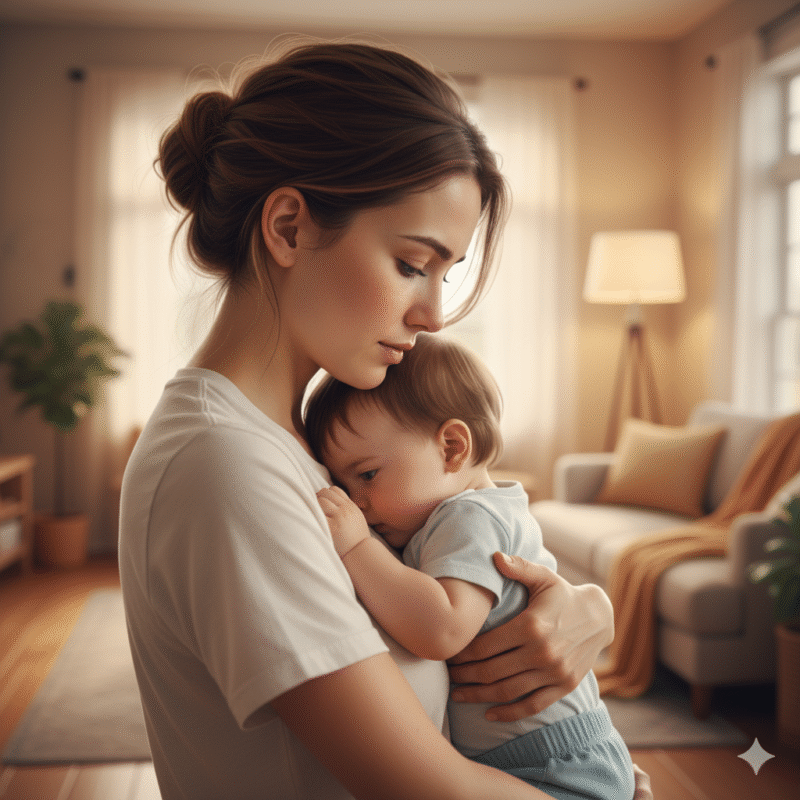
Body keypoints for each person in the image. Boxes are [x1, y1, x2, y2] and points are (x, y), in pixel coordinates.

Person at [118, 39, 653, 800]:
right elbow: (424, 786)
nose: (433, 314)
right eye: (411, 264)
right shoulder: (226, 466)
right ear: (289, 227)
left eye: (444, 274)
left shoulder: (298, 444)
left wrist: (577, 609)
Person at [306, 333, 635, 800]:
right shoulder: (446, 520)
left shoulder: (469, 517)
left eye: (367, 475)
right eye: (343, 485)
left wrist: (357, 546)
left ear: (452, 448)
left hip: (555, 767)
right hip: (537, 760)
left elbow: (441, 628)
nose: (357, 502)